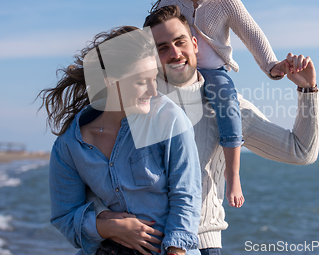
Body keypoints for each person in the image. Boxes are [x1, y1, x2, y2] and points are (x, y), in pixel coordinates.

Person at [95, 6, 319, 255]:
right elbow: (96, 170)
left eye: (180, 42)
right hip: (138, 242)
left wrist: (307, 89)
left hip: (202, 244)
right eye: (162, 48)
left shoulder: (228, 108)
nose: (175, 53)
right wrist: (105, 221)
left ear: (194, 44)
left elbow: (301, 152)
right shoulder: (136, 99)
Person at [152, 0, 289, 208]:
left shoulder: (226, 1)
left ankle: (233, 174)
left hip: (214, 72)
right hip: (176, 71)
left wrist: (272, 66)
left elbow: (252, 34)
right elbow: (151, 39)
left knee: (228, 106)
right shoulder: (169, 2)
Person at [38, 26, 202, 255]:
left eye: (154, 78)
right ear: (110, 81)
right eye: (141, 82)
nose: (154, 91)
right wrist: (107, 226)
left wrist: (176, 251)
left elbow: (187, 196)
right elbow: (64, 215)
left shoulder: (169, 119)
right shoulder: (70, 144)